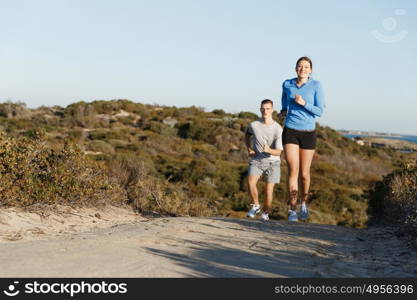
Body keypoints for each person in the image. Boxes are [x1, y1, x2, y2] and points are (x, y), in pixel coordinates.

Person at [279, 56, 325, 222]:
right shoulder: (287, 84)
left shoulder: (316, 86)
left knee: (304, 174)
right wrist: (283, 111)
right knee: (293, 171)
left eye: (306, 67)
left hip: (308, 132)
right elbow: (284, 102)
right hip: (290, 130)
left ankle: (303, 203)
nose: (303, 69)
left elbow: (319, 111)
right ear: (295, 68)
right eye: (300, 66)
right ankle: (292, 210)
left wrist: (304, 103)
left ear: (310, 70)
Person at [245, 99, 283, 221]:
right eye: (263, 108)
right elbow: (247, 134)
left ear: (272, 110)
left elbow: (279, 152)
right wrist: (249, 148)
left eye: (267, 109)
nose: (265, 111)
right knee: (251, 182)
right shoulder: (254, 125)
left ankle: (266, 213)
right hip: (257, 160)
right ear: (260, 109)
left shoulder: (278, 129)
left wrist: (269, 150)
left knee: (268, 190)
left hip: (273, 162)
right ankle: (256, 205)